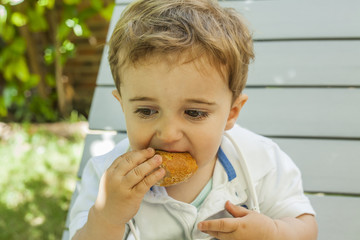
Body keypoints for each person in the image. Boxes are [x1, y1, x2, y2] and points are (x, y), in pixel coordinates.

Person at [69, 0, 318, 239]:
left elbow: (306, 228)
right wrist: (107, 217)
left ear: (232, 112)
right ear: (123, 105)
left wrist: (273, 234)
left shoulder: (261, 162)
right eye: (146, 111)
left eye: (194, 113)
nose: (167, 134)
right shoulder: (106, 178)